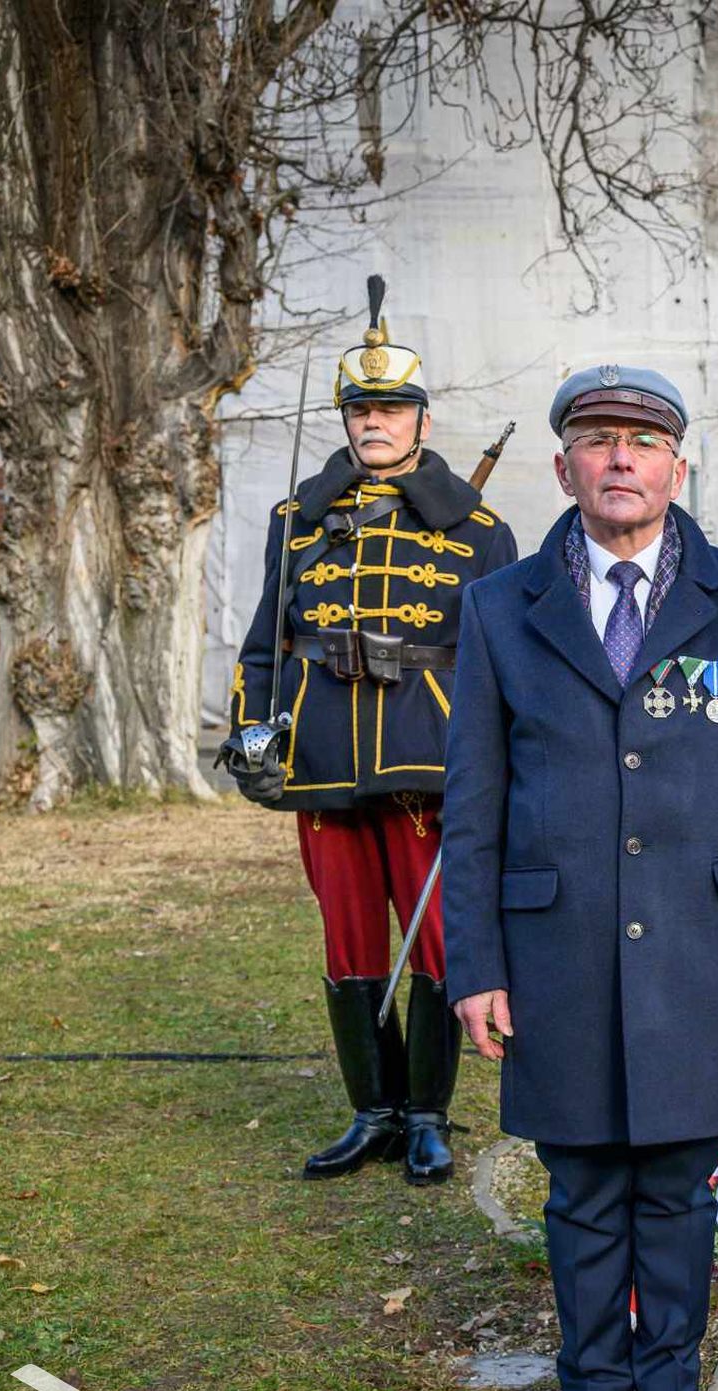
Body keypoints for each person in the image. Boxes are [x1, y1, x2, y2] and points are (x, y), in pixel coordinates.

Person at [442, 365, 718, 1391]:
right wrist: (476, 964)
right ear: (564, 467)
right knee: (582, 1188)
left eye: (642, 442)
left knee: (676, 1183)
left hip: (701, 942)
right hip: (556, 947)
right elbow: (474, 801)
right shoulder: (500, 607)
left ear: (676, 469)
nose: (620, 458)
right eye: (598, 439)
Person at [222, 275, 515, 1186]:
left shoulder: (480, 531)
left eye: (390, 408)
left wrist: (497, 764)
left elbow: (503, 666)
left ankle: (427, 1116)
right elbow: (265, 642)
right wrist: (250, 738)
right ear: (346, 420)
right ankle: (372, 1113)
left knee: (435, 945)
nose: (374, 422)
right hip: (321, 758)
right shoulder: (297, 521)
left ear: (421, 419)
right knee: (348, 943)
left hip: (428, 759)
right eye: (361, 410)